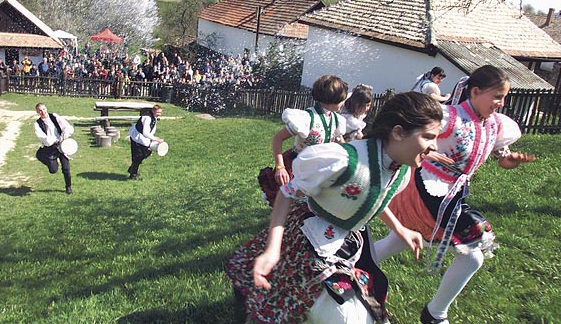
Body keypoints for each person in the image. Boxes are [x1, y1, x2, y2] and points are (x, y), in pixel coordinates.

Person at [227, 92, 444, 324]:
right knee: (292, 305)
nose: (435, 146)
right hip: (306, 240)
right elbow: (286, 193)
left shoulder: (400, 171)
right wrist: (273, 249)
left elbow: (372, 198)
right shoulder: (342, 160)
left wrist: (400, 229)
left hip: (344, 243)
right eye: (428, 137)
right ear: (399, 132)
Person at [375, 65, 535, 324]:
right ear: (475, 92)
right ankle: (436, 314)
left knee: (402, 238)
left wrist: (510, 161)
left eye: (504, 97)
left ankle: (354, 265)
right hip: (426, 187)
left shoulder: (495, 125)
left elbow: (500, 158)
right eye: (497, 96)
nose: (501, 103)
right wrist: (426, 150)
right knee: (474, 245)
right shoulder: (450, 117)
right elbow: (407, 130)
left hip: (452, 192)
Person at [258, 74, 348, 206]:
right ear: (333, 98)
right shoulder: (306, 118)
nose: (343, 103)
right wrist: (280, 167)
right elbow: (278, 138)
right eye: (342, 99)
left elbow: (340, 142)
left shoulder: (336, 120)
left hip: (321, 168)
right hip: (300, 167)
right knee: (293, 204)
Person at [34, 103, 75, 194]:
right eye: (40, 110)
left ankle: (68, 187)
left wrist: (64, 136)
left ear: (46, 108)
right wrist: (54, 141)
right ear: (37, 112)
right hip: (51, 147)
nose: (43, 112)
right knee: (53, 170)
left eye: (44, 109)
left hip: (62, 145)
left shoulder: (54, 116)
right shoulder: (37, 124)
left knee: (66, 168)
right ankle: (41, 155)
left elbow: (66, 126)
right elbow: (43, 137)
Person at [127, 104, 164, 180]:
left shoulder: (154, 117)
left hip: (143, 138)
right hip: (136, 137)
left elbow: (152, 130)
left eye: (160, 112)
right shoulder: (147, 118)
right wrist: (155, 139)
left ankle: (132, 169)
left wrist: (153, 139)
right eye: (158, 112)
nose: (159, 114)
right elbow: (145, 132)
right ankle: (133, 175)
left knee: (146, 153)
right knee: (138, 156)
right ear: (153, 111)